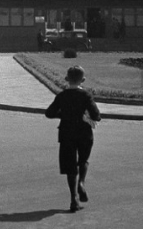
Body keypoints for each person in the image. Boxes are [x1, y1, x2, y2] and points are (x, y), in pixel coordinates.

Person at [45, 66, 101, 213]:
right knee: (83, 160)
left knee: (70, 166)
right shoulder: (86, 95)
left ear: (66, 79)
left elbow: (49, 113)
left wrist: (62, 115)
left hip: (66, 133)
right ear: (83, 80)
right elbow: (96, 115)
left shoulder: (62, 96)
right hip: (84, 132)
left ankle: (73, 198)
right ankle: (81, 183)